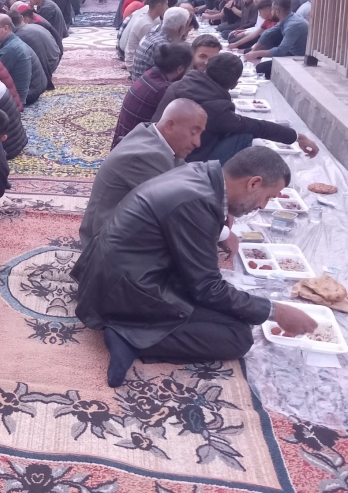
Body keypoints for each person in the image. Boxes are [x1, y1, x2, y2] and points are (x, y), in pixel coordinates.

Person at [73, 146, 318, 387]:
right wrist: (276, 311)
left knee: (235, 314)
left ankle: (133, 332)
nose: (264, 206)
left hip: (120, 273)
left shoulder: (203, 174)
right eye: (268, 197)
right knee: (238, 336)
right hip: (123, 291)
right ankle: (129, 336)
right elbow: (207, 288)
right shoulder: (198, 202)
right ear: (253, 183)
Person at [85, 98, 207, 251]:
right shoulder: (148, 156)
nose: (198, 142)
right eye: (193, 133)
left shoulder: (152, 134)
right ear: (170, 126)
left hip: (116, 229)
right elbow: (176, 209)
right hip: (103, 246)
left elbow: (186, 176)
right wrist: (221, 231)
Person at [153, 53, 318, 163]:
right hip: (182, 161)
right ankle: (221, 181)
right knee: (244, 135)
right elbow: (255, 126)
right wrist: (297, 137)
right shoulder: (217, 109)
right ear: (234, 83)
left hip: (159, 148)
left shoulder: (181, 84)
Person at [112, 42, 193, 147]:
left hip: (123, 142)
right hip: (133, 149)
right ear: (180, 69)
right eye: (189, 68)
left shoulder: (150, 74)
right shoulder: (163, 90)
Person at [245, 0, 309, 78]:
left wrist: (256, 53)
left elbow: (281, 51)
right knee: (250, 50)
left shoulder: (293, 25)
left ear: (277, 12)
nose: (271, 12)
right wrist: (254, 50)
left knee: (261, 68)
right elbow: (268, 33)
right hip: (288, 50)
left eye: (272, 10)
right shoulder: (287, 18)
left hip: (297, 56)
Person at [131, 6, 191, 81]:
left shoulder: (153, 34)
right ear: (181, 29)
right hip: (150, 87)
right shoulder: (164, 47)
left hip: (140, 83)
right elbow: (171, 76)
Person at [121, 0, 172, 70]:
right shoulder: (146, 25)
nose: (167, 8)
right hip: (135, 67)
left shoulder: (150, 18)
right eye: (166, 5)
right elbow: (151, 50)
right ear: (159, 5)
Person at [0, 15, 31, 104]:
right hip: (19, 95)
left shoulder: (9, 50)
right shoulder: (14, 41)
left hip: (15, 100)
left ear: (5, 28)